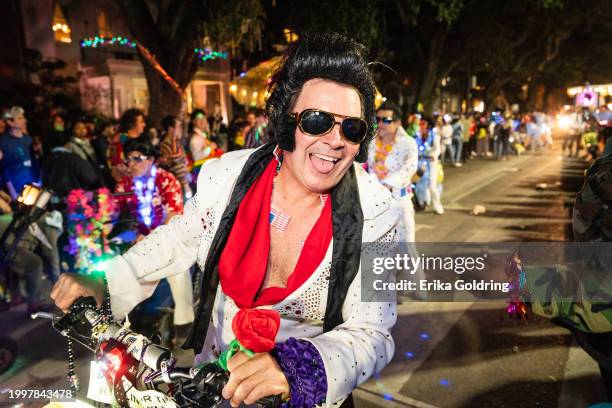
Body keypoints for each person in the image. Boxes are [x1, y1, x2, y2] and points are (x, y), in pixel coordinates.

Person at [51, 32, 398, 408]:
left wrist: (296, 370)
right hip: (212, 387)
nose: (335, 140)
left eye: (351, 128)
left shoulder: (378, 213)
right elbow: (176, 241)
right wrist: (105, 281)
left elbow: (374, 333)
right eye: (317, 121)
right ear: (287, 121)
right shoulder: (226, 177)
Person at [113, 137, 194, 328]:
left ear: (150, 160)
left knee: (178, 268)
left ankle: (184, 319)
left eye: (136, 159)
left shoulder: (166, 180)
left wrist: (150, 238)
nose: (131, 165)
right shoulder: (125, 184)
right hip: (136, 238)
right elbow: (115, 211)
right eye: (128, 160)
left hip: (167, 235)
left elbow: (173, 216)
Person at [368, 101, 418, 242]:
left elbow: (410, 167)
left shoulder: (408, 143)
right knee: (378, 248)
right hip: (374, 203)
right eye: (377, 119)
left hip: (399, 201)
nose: (381, 124)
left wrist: (387, 184)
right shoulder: (370, 142)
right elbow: (363, 165)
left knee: (406, 248)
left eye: (386, 120)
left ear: (397, 123)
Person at [0, 107, 36, 199]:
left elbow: (34, 163)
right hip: (16, 188)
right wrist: (13, 192)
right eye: (20, 118)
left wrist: (37, 182)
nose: (24, 120)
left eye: (23, 117)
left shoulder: (28, 139)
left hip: (32, 186)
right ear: (10, 122)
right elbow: (5, 169)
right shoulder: (4, 142)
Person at [159, 115, 192, 198]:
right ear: (171, 129)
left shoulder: (175, 143)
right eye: (179, 127)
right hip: (178, 186)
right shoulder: (167, 145)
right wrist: (185, 184)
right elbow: (177, 165)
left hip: (182, 183)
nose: (181, 129)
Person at [109, 108, 146, 180]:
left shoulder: (131, 139)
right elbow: (119, 165)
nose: (144, 125)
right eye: (141, 122)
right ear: (132, 124)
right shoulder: (122, 139)